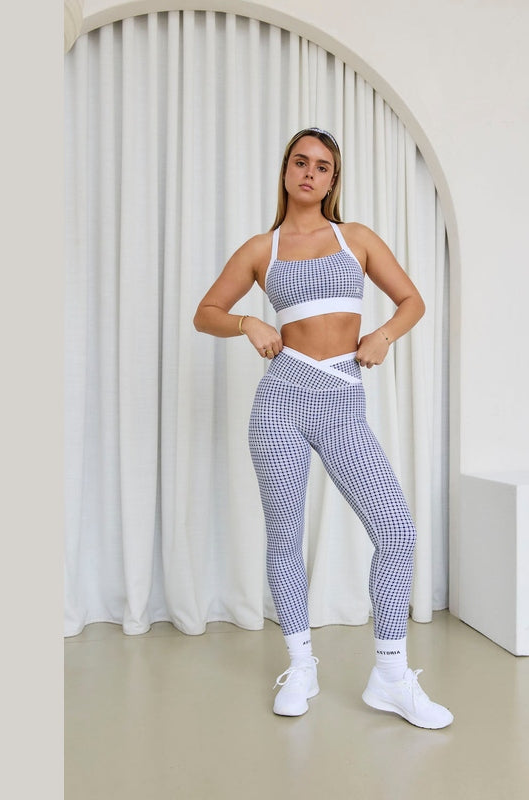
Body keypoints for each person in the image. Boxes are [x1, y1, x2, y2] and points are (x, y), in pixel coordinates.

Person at [193, 127, 453, 729]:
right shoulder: (261, 249)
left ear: (334, 180)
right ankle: (301, 664)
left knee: (396, 531)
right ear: (286, 171)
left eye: (322, 166)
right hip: (281, 401)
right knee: (285, 536)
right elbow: (205, 313)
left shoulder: (354, 238)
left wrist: (383, 335)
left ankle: (390, 676)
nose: (310, 173)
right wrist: (248, 324)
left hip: (341, 400)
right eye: (300, 162)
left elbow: (412, 301)